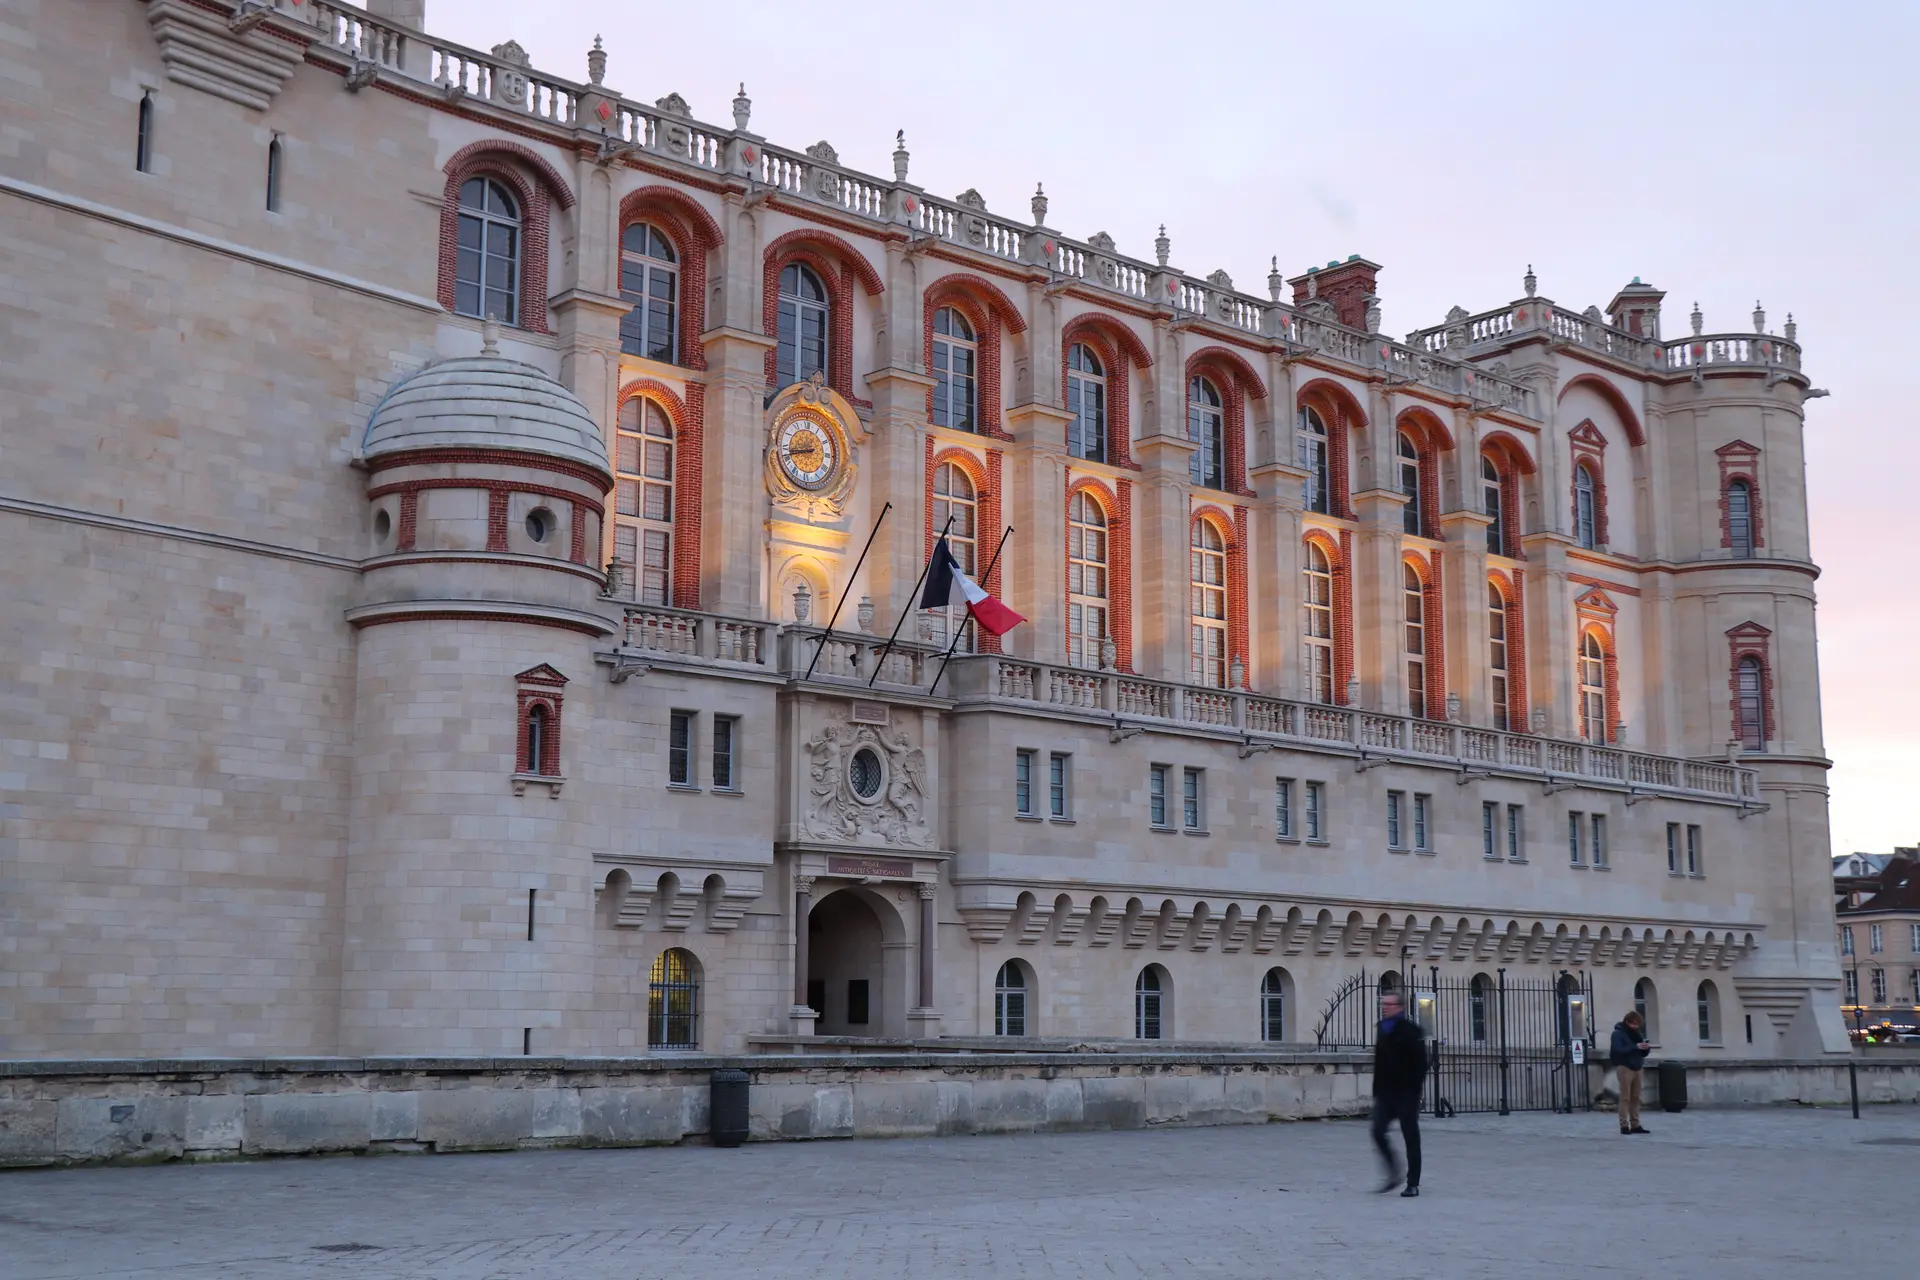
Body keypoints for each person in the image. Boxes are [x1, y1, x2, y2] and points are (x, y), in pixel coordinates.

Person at [1370, 989, 1427, 1197]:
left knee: (1410, 1136)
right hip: (1386, 1093)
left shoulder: (1412, 1031)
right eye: (1383, 1004)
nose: (1385, 1008)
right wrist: (1377, 1090)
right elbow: (1379, 1061)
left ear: (1400, 1007)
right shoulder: (1381, 1028)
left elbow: (1421, 1064)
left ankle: (1413, 1183)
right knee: (1377, 1131)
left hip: (1406, 1093)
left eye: (1389, 1004)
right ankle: (1394, 1172)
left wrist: (1414, 1091)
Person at [1609, 1010, 1652, 1134]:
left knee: (1636, 1097)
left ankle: (1635, 1124)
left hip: (1638, 1066)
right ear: (1627, 1022)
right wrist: (1635, 1047)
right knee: (1625, 1097)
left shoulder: (1637, 1034)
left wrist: (1645, 1048)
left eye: (1637, 1024)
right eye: (1633, 1024)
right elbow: (1618, 1050)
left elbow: (1642, 1053)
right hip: (1625, 1067)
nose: (1635, 1026)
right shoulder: (1618, 1034)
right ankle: (1624, 1125)